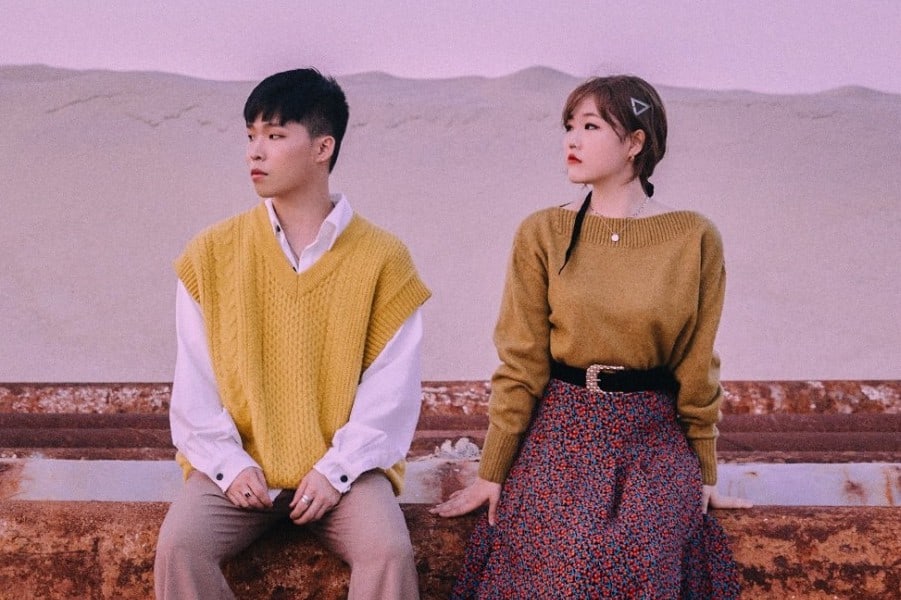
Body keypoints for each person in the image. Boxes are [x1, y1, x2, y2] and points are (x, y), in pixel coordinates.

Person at [432, 75, 751, 598]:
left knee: (636, 559)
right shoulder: (542, 232)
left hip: (652, 442)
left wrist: (705, 472)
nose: (572, 140)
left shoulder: (694, 237)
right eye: (569, 127)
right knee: (561, 558)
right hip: (561, 431)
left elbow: (698, 364)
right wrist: (493, 470)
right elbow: (521, 361)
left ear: (635, 142)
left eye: (590, 126)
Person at [154, 68, 431, 600]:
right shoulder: (210, 254)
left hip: (344, 475)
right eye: (250, 135)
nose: (255, 152)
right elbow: (195, 385)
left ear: (323, 147)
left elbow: (390, 395)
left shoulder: (383, 259)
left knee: (388, 551)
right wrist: (229, 466)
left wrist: (336, 472)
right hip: (239, 467)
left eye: (276, 135)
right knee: (180, 547)